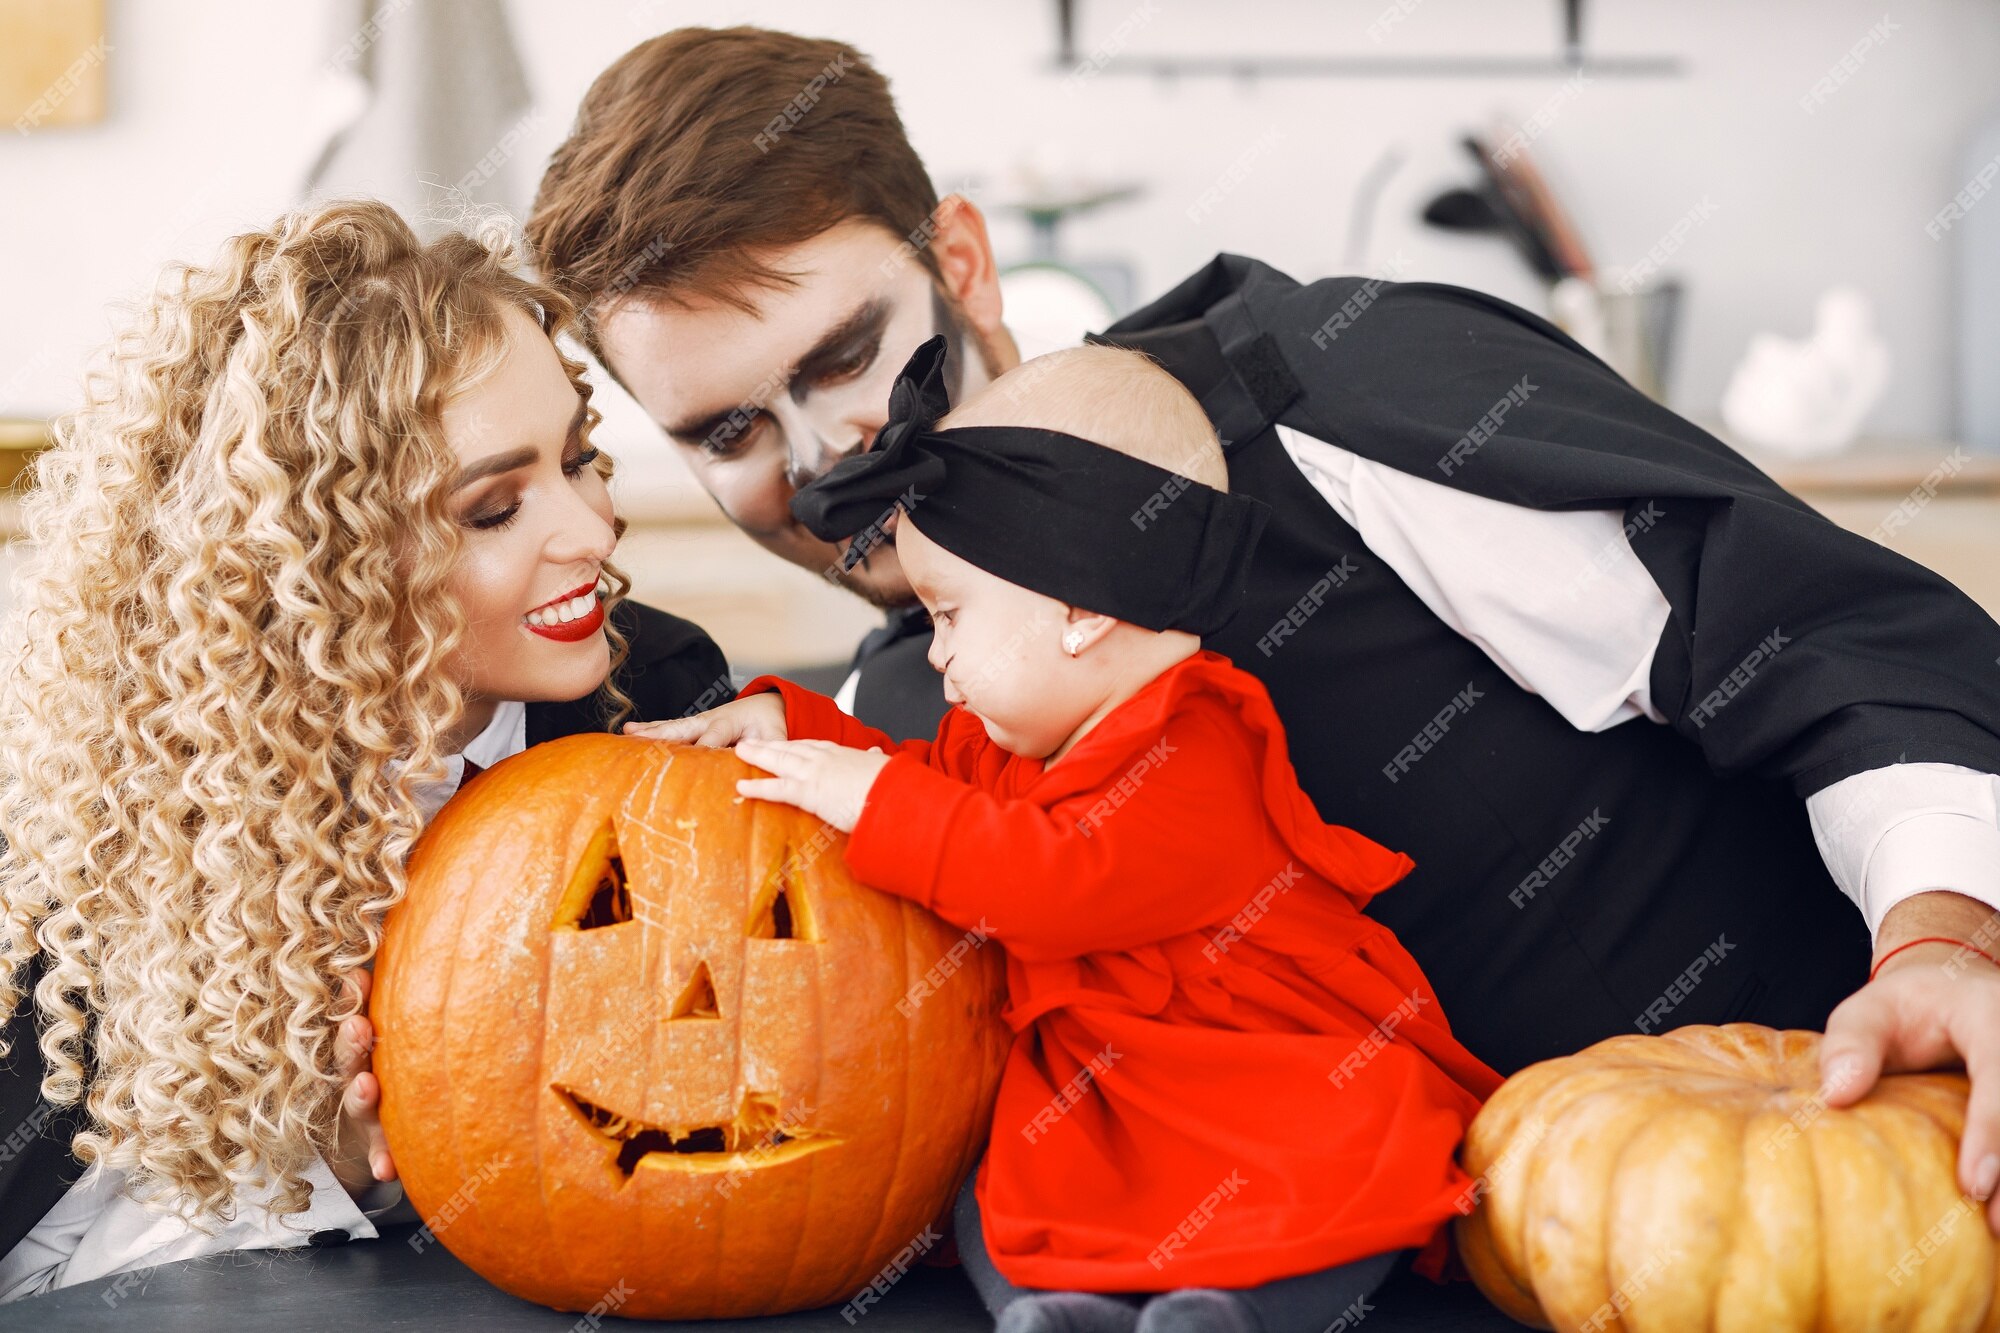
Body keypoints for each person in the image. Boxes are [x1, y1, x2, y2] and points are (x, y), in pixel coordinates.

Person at [528, 25, 2000, 1238]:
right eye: (728, 430)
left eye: (848, 353)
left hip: (1852, 1184)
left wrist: (1948, 936)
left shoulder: (1334, 393)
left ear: (963, 263)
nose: (827, 456)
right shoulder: (905, 714)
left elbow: (1824, 639)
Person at [631, 337, 1505, 1333]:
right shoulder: (1010, 741)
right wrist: (799, 728)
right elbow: (928, 785)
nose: (939, 655)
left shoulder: (1195, 744)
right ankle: (1050, 1308)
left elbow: (1055, 880)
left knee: (1332, 1174)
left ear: (1082, 609)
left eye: (948, 615)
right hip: (1105, 1081)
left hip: (1254, 1063)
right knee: (1000, 1194)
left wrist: (871, 799)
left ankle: (1233, 1313)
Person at [0, 199, 729, 1299]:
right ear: (314, 564)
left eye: (578, 461)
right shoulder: (119, 812)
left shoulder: (660, 693)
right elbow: (43, 1261)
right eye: (492, 510)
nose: (587, 530)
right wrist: (334, 1175)